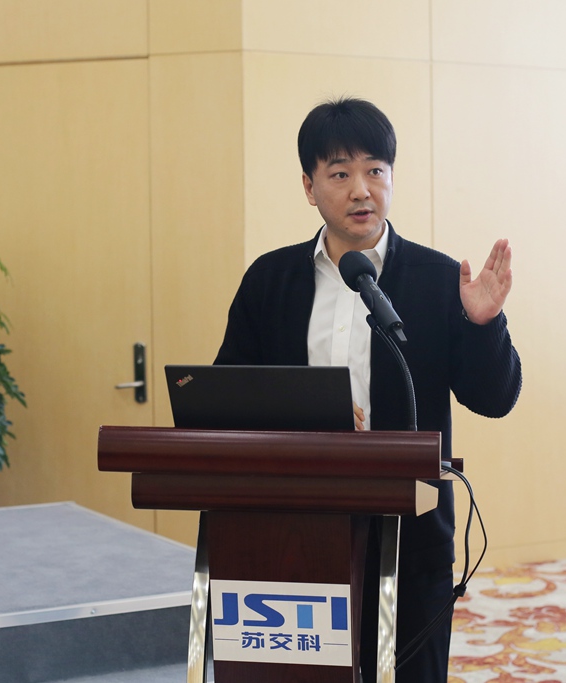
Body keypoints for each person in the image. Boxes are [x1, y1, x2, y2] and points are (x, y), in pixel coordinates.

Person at [214, 97, 522, 683]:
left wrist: (484, 324)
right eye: (340, 174)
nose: (362, 190)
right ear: (309, 187)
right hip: (293, 530)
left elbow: (494, 398)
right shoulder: (270, 281)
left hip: (409, 537)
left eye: (375, 171)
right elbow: (229, 396)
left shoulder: (437, 279)